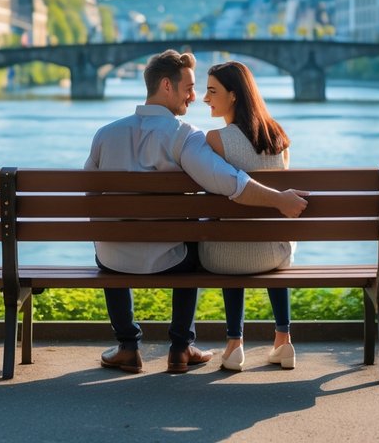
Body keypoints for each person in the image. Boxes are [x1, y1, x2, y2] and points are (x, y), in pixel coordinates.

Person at [85, 50, 308, 375]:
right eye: (189, 87)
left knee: (107, 243)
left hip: (113, 259)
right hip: (168, 258)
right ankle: (180, 348)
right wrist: (278, 200)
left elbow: (90, 196)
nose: (195, 97)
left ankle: (127, 346)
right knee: (190, 245)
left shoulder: (105, 134)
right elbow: (227, 181)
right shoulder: (183, 136)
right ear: (166, 86)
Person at [200, 60, 297, 372]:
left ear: (234, 95)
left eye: (212, 91)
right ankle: (284, 341)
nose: (205, 98)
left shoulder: (215, 140)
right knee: (272, 234)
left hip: (224, 258)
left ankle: (234, 346)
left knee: (230, 234)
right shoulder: (279, 137)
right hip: (273, 255)